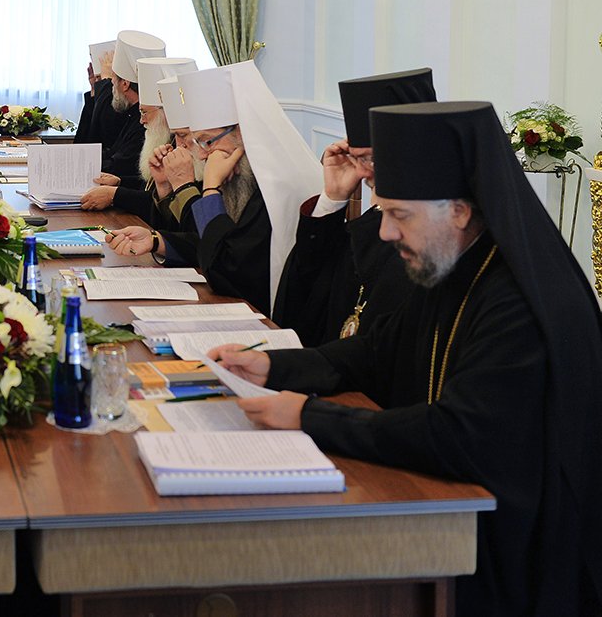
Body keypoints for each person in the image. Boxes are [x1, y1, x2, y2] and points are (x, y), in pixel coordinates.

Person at [210, 101, 602, 617]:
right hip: (457, 513)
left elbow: (458, 435)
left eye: (399, 215)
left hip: (514, 556)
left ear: (459, 211)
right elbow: (379, 350)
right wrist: (273, 367)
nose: (386, 232)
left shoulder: (521, 303)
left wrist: (309, 416)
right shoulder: (457, 264)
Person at [106, 61, 320, 315]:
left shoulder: (274, 187)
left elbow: (227, 268)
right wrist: (158, 241)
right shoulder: (242, 175)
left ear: (243, 133)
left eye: (207, 141)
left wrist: (209, 189)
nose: (202, 154)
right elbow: (209, 244)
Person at [273, 68, 436, 346]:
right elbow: (307, 285)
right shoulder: (373, 218)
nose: (364, 172)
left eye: (372, 159)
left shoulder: (433, 230)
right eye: (358, 158)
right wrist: (333, 197)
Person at [81, 58, 196, 222]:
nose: (141, 120)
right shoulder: (167, 140)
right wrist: (120, 182)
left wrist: (116, 194)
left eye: (144, 112)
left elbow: (176, 213)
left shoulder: (192, 151)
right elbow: (150, 188)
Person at [100, 29, 165, 179]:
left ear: (125, 84)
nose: (142, 119)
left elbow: (121, 167)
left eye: (112, 80)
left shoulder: (151, 122)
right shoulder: (132, 114)